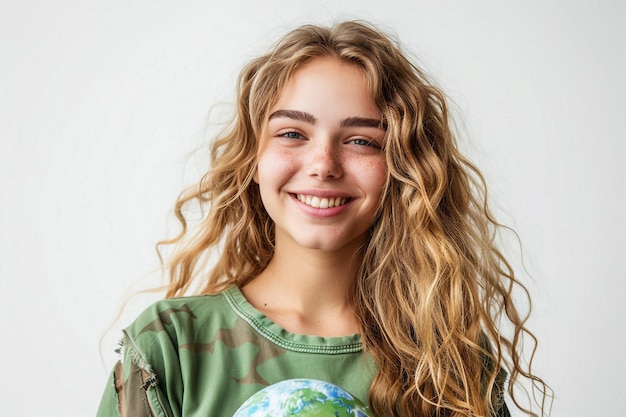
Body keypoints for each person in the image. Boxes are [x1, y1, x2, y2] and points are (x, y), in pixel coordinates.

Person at [97, 20, 550, 417]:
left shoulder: (449, 362)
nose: (323, 164)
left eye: (361, 141)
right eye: (292, 133)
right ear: (253, 160)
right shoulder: (170, 349)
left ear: (403, 170)